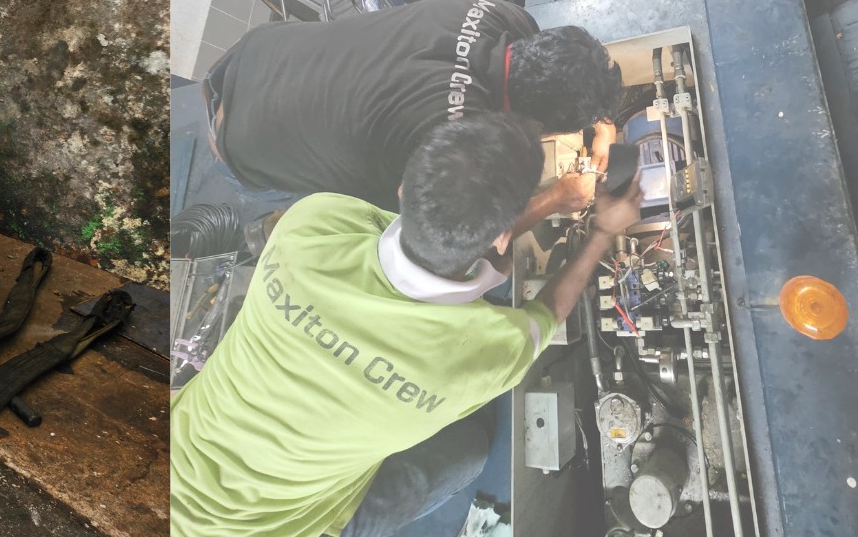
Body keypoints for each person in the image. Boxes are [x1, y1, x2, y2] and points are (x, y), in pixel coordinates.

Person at [171, 113, 643, 537]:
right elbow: (551, 310)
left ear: (402, 189)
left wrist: (559, 202)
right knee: (469, 453)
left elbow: (441, 241)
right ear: (504, 236)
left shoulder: (309, 223)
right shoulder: (484, 352)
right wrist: (602, 230)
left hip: (173, 461)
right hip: (283, 527)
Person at [202, 0, 621, 230]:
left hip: (256, 53)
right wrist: (556, 199)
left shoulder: (506, 18)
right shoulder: (462, 136)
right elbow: (448, 235)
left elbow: (550, 71)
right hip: (239, 140)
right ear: (536, 123)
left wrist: (600, 123)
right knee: (311, 188)